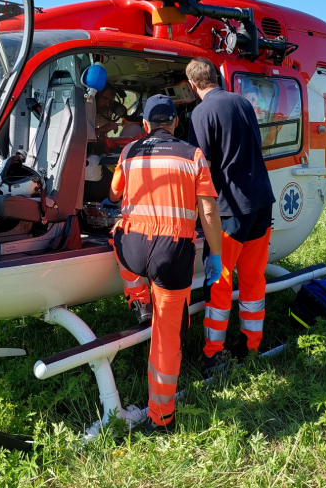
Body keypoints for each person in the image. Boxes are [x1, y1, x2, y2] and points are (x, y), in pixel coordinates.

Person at [106, 94, 223, 433]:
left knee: (117, 234)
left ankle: (139, 299)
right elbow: (209, 211)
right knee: (166, 338)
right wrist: (214, 253)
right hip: (171, 254)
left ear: (144, 125)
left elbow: (115, 194)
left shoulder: (129, 152)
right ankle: (162, 418)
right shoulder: (193, 156)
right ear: (174, 123)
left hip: (131, 249)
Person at [185, 57, 276, 373]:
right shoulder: (243, 102)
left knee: (220, 282)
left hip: (230, 211)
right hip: (262, 203)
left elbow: (199, 167)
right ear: (217, 78)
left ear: (192, 85)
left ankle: (213, 353)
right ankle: (252, 344)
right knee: (253, 279)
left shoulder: (201, 112)